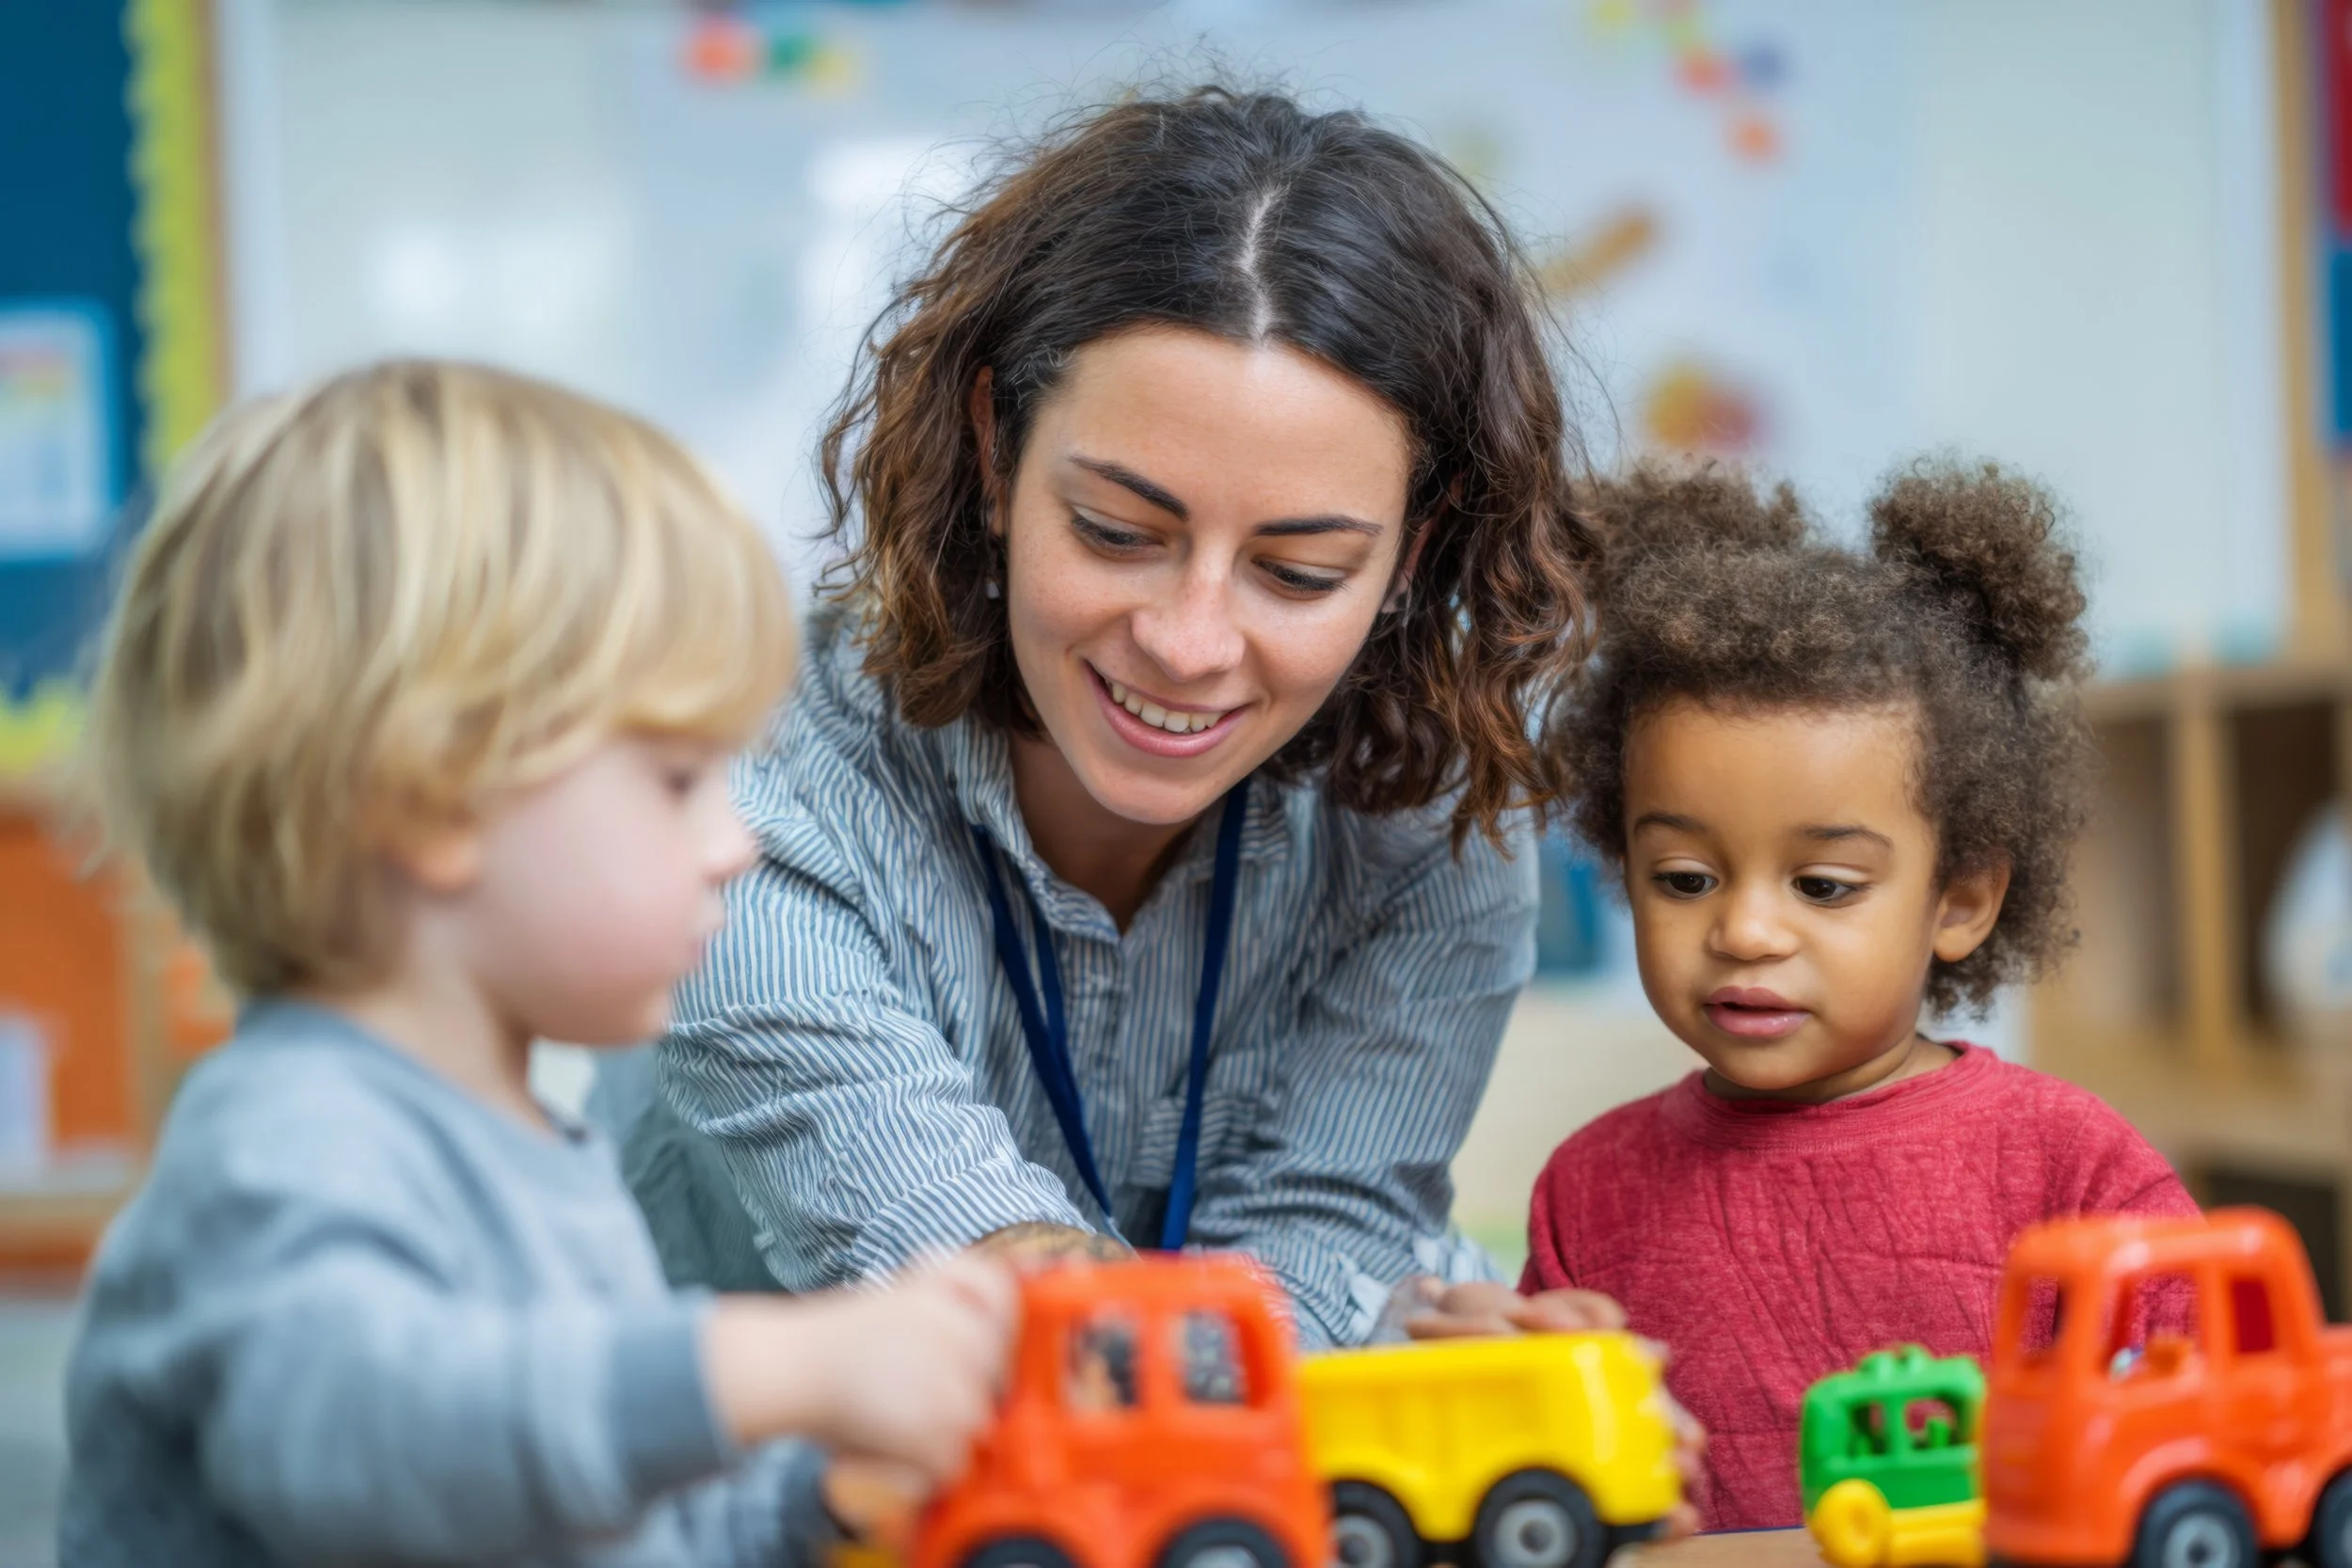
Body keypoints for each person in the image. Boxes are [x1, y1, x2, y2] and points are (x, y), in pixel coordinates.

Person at [597, 85, 1620, 1350]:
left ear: (1414, 549)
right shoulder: (736, 804)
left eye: (1298, 572)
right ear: (991, 451)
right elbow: (997, 1308)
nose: (1189, 644)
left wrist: (1404, 1323)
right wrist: (1358, 1334)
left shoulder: (1431, 824)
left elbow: (1320, 1239)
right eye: (1117, 531)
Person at [58, 360, 1017, 1567]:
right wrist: (770, 1363)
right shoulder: (289, 1139)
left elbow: (598, 1519)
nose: (737, 844)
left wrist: (812, 1500)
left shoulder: (530, 1143)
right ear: (433, 799)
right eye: (678, 783)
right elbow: (374, 1449)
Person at [1520, 461, 2198, 1529]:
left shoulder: (2073, 1165)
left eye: (1824, 885)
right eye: (1685, 878)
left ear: (1960, 898)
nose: (1743, 929)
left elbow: (2193, 1428)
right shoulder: (1585, 1192)